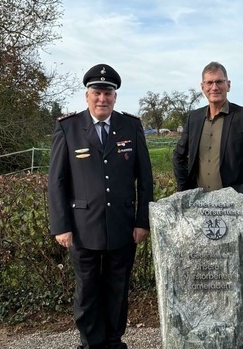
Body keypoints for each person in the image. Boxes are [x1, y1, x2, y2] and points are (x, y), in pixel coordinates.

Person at [48, 63, 153, 349]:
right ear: (87, 95)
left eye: (108, 93)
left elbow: (145, 178)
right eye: (97, 93)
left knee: (117, 289)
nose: (102, 99)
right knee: (87, 291)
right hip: (83, 227)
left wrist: (142, 221)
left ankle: (114, 342)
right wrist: (61, 225)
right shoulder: (68, 128)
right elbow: (57, 181)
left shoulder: (131, 126)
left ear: (115, 97)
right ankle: (91, 344)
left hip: (122, 225)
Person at [172, 61, 243, 200]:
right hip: (200, 204)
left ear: (228, 85)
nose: (214, 87)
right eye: (209, 83)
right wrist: (185, 191)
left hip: (235, 204)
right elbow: (178, 155)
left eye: (219, 82)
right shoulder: (194, 118)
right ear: (203, 87)